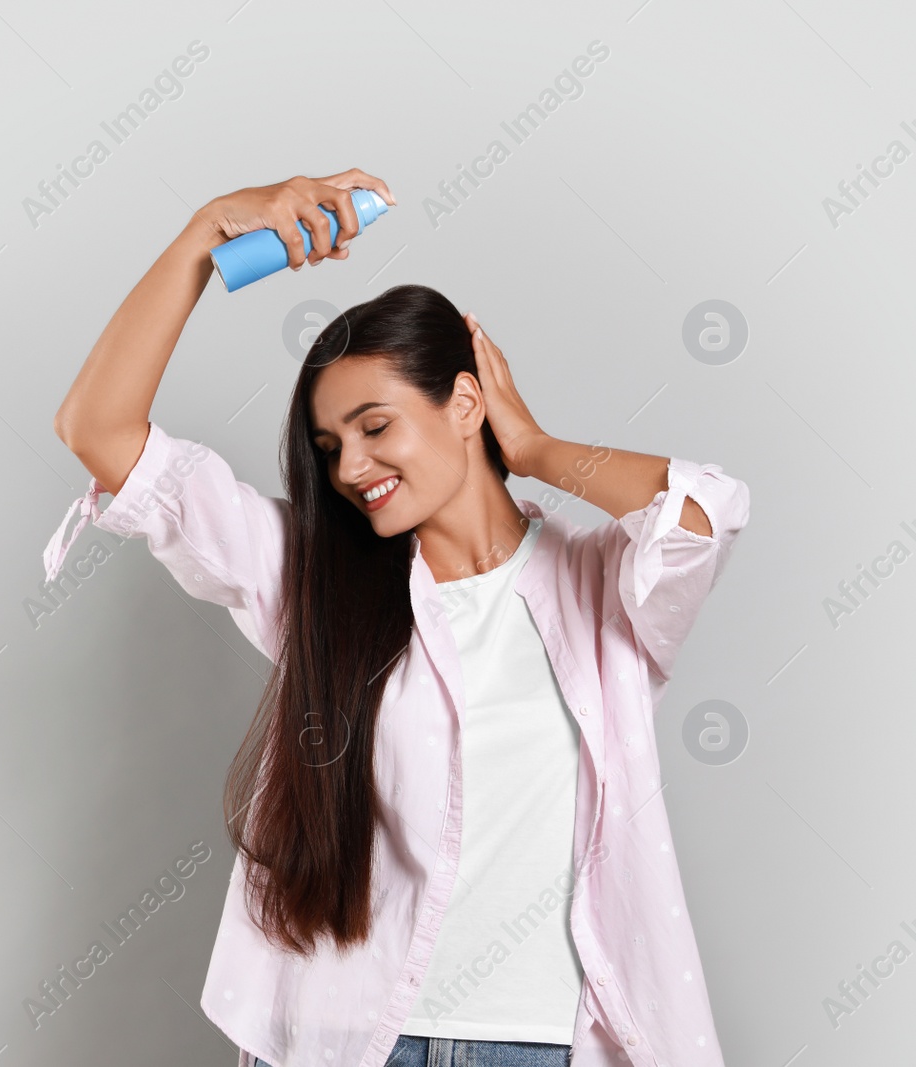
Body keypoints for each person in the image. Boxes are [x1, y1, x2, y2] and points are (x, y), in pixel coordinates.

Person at [42, 169, 750, 1067]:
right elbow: (99, 429)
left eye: (376, 426)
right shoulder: (315, 579)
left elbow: (704, 510)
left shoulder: (599, 586)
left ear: (463, 402)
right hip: (344, 1042)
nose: (349, 467)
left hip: (539, 1045)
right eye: (331, 444)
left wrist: (531, 448)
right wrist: (203, 235)